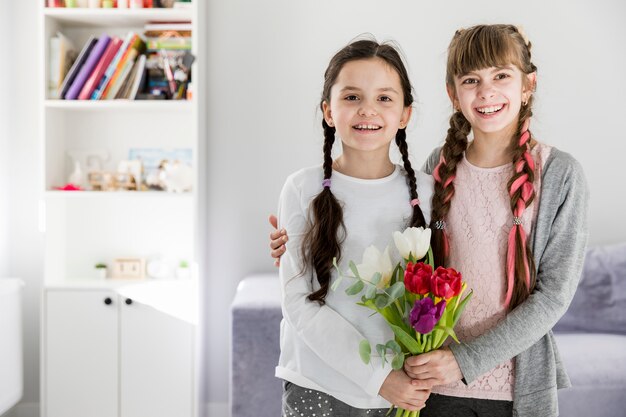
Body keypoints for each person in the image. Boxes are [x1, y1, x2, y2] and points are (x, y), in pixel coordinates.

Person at [270, 25, 589, 417]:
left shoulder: (557, 175)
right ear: (453, 94)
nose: (487, 92)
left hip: (506, 388)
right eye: (471, 80)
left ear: (528, 85)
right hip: (429, 385)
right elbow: (410, 260)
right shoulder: (436, 172)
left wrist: (462, 361)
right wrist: (296, 250)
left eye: (501, 76)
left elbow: (553, 295)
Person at [275, 38, 436, 417]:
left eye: (384, 98)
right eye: (351, 97)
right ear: (328, 111)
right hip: (315, 385)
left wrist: (397, 381)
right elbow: (299, 302)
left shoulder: (428, 192)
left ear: (405, 113)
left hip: (401, 394)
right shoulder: (301, 188)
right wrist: (380, 377)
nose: (368, 109)